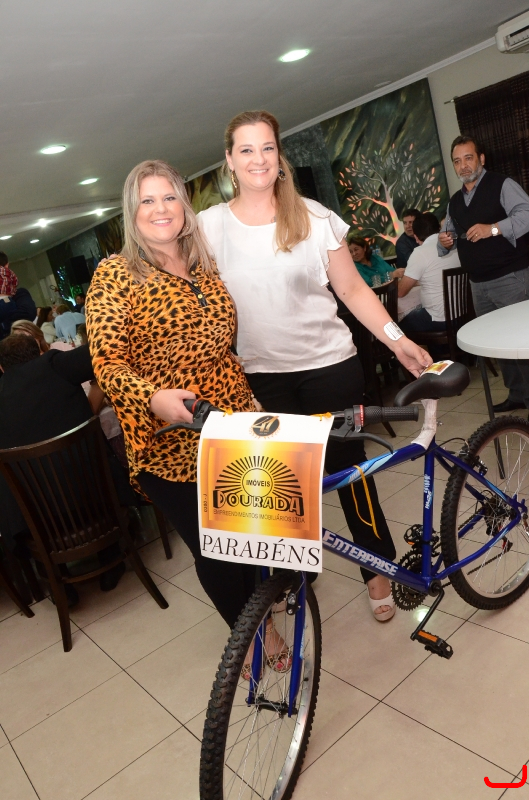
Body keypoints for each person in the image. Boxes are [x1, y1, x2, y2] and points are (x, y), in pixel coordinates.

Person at [198, 110, 432, 621]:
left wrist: (397, 341)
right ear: (230, 161)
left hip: (330, 366)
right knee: (278, 485)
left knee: (350, 472)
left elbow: (351, 289)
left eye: (267, 148)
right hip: (262, 378)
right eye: (246, 150)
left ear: (279, 156)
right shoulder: (208, 227)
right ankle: (292, 576)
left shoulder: (313, 216)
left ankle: (376, 567)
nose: (259, 159)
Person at [86, 159, 258, 629]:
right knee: (217, 551)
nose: (160, 208)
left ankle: (262, 605)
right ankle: (253, 639)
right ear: (132, 211)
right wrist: (152, 397)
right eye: (147, 200)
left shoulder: (203, 266)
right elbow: (106, 363)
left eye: (169, 197)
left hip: (231, 427)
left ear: (183, 205)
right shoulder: (116, 273)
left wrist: (248, 399)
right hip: (169, 444)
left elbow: (221, 348)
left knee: (249, 534)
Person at [0, 335, 132, 600]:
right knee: (92, 472)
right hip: (95, 500)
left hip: (39, 522)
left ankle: (58, 584)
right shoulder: (55, 365)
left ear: (2, 367)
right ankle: (111, 561)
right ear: (40, 352)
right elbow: (105, 351)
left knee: (18, 493)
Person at [439, 135, 529, 413]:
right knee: (497, 345)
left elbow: (526, 214)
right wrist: (445, 242)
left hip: (511, 278)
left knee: (521, 343)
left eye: (468, 158)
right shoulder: (455, 202)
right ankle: (517, 395)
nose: (463, 165)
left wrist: (493, 228)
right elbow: (447, 237)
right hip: (478, 284)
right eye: (457, 161)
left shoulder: (502, 184)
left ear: (481, 158)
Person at [399, 213, 461, 350]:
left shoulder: (420, 252)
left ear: (416, 236)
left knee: (398, 326)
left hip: (439, 319)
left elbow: (401, 292)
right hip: (463, 313)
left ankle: (425, 360)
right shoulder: (455, 246)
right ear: (439, 228)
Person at [0, 254, 36, 339]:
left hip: (17, 341)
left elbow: (29, 313)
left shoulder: (20, 294)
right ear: (7, 265)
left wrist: (3, 322)